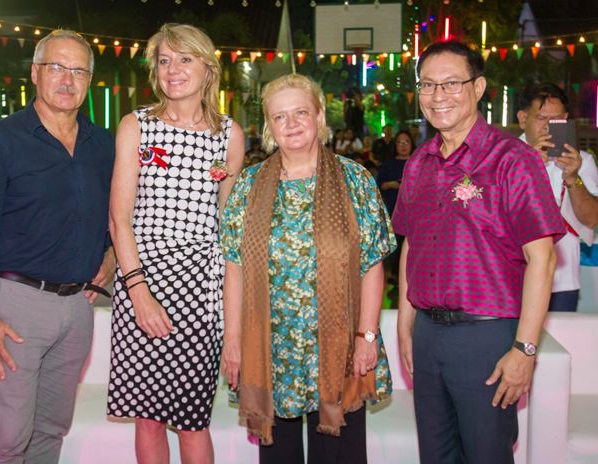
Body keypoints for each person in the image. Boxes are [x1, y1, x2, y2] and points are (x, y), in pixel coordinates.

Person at [392, 40, 565, 464]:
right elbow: (411, 243)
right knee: (436, 455)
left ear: (480, 86)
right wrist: (404, 324)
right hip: (428, 336)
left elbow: (542, 258)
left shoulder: (512, 160)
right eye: (428, 85)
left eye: (451, 83)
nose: (438, 96)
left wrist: (524, 349)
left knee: (487, 455)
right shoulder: (419, 162)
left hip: (486, 338)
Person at [0, 30, 115, 463]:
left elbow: (115, 217)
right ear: (35, 73)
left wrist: (112, 255)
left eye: (78, 70)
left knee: (51, 431)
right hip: (15, 307)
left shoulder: (103, 145)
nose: (67, 79)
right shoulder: (0, 141)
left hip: (78, 307)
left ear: (89, 80)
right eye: (57, 67)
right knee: (8, 437)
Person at [220, 74, 395, 464]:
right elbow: (234, 268)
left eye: (301, 112)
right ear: (269, 128)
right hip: (271, 349)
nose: (292, 123)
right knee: (278, 455)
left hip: (339, 346)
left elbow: (372, 264)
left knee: (337, 454)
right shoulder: (249, 185)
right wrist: (232, 340)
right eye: (280, 117)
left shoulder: (356, 180)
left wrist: (367, 335)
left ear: (319, 116)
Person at [107, 23, 244, 464]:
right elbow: (119, 219)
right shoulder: (137, 126)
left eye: (184, 59)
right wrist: (139, 292)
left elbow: (229, 231)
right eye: (164, 60)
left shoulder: (229, 135)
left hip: (201, 292)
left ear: (208, 68)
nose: (173, 69)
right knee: (148, 418)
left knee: (191, 419)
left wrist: (231, 319)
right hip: (141, 283)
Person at [518, 83, 598, 312]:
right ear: (523, 119)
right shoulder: (506, 158)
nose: (548, 127)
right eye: (541, 118)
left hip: (561, 281)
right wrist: (529, 166)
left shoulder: (581, 161)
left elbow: (592, 219)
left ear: (565, 118)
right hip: (511, 276)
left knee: (560, 345)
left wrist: (573, 178)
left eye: (556, 119)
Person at [377, 129, 414, 291]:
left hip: (414, 209)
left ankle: (410, 275)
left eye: (406, 142)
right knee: (395, 243)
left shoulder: (418, 162)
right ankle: (394, 274)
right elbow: (380, 185)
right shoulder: (388, 164)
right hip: (393, 208)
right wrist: (392, 184)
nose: (403, 145)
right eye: (400, 142)